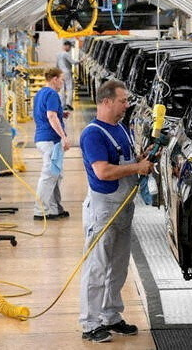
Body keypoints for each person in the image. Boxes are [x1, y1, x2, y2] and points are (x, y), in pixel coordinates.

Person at [79, 80, 154, 343]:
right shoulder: (93, 134)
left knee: (118, 266)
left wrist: (141, 160)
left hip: (124, 208)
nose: (127, 105)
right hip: (103, 208)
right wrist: (136, 169)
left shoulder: (121, 128)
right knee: (98, 267)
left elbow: (126, 159)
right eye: (123, 100)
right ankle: (90, 324)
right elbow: (103, 171)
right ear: (106, 101)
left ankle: (110, 316)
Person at [33, 67, 70, 220]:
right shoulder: (53, 94)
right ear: (54, 79)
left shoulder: (40, 93)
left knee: (56, 174)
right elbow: (51, 116)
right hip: (50, 139)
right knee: (49, 174)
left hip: (43, 138)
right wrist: (64, 137)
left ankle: (55, 209)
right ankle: (40, 210)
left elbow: (44, 113)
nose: (63, 82)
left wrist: (62, 114)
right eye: (61, 79)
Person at [57, 40, 79, 110]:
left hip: (60, 73)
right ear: (66, 46)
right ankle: (68, 104)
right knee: (70, 88)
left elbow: (56, 65)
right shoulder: (66, 54)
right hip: (67, 73)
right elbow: (73, 62)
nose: (70, 49)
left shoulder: (58, 54)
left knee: (62, 89)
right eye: (69, 47)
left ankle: (62, 105)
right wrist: (81, 61)